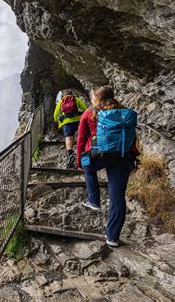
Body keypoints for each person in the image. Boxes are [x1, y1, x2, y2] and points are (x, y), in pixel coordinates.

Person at [76, 86, 138, 247]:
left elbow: (81, 140)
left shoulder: (90, 114)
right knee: (117, 198)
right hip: (123, 157)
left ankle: (93, 200)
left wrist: (78, 161)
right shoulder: (123, 113)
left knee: (87, 167)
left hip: (101, 156)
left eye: (93, 97)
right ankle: (112, 237)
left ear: (97, 99)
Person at [53, 89, 87, 168]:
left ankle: (70, 154)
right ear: (72, 94)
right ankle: (81, 152)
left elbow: (55, 115)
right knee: (79, 135)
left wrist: (58, 121)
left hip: (66, 122)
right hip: (78, 121)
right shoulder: (77, 99)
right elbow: (85, 109)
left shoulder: (61, 102)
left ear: (64, 95)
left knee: (68, 137)